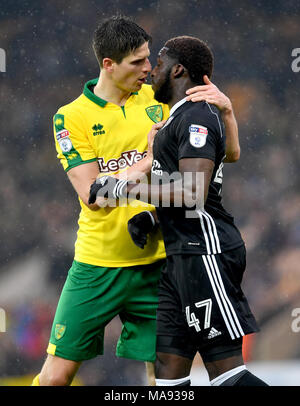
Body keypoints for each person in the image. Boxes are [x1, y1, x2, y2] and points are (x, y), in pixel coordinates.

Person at [32, 16, 240, 387]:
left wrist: (226, 111)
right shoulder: (71, 116)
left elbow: (219, 152)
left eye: (149, 59)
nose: (148, 68)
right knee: (56, 376)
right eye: (138, 62)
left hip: (158, 265)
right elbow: (92, 194)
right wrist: (148, 159)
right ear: (108, 65)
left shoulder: (156, 98)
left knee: (163, 377)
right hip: (98, 264)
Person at [89, 35, 268, 386]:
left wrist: (123, 188)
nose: (152, 70)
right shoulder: (176, 120)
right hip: (178, 258)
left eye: (158, 62)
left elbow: (193, 193)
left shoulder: (196, 116)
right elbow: (205, 172)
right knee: (168, 373)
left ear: (178, 69)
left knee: (226, 374)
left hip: (206, 251)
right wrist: (153, 217)